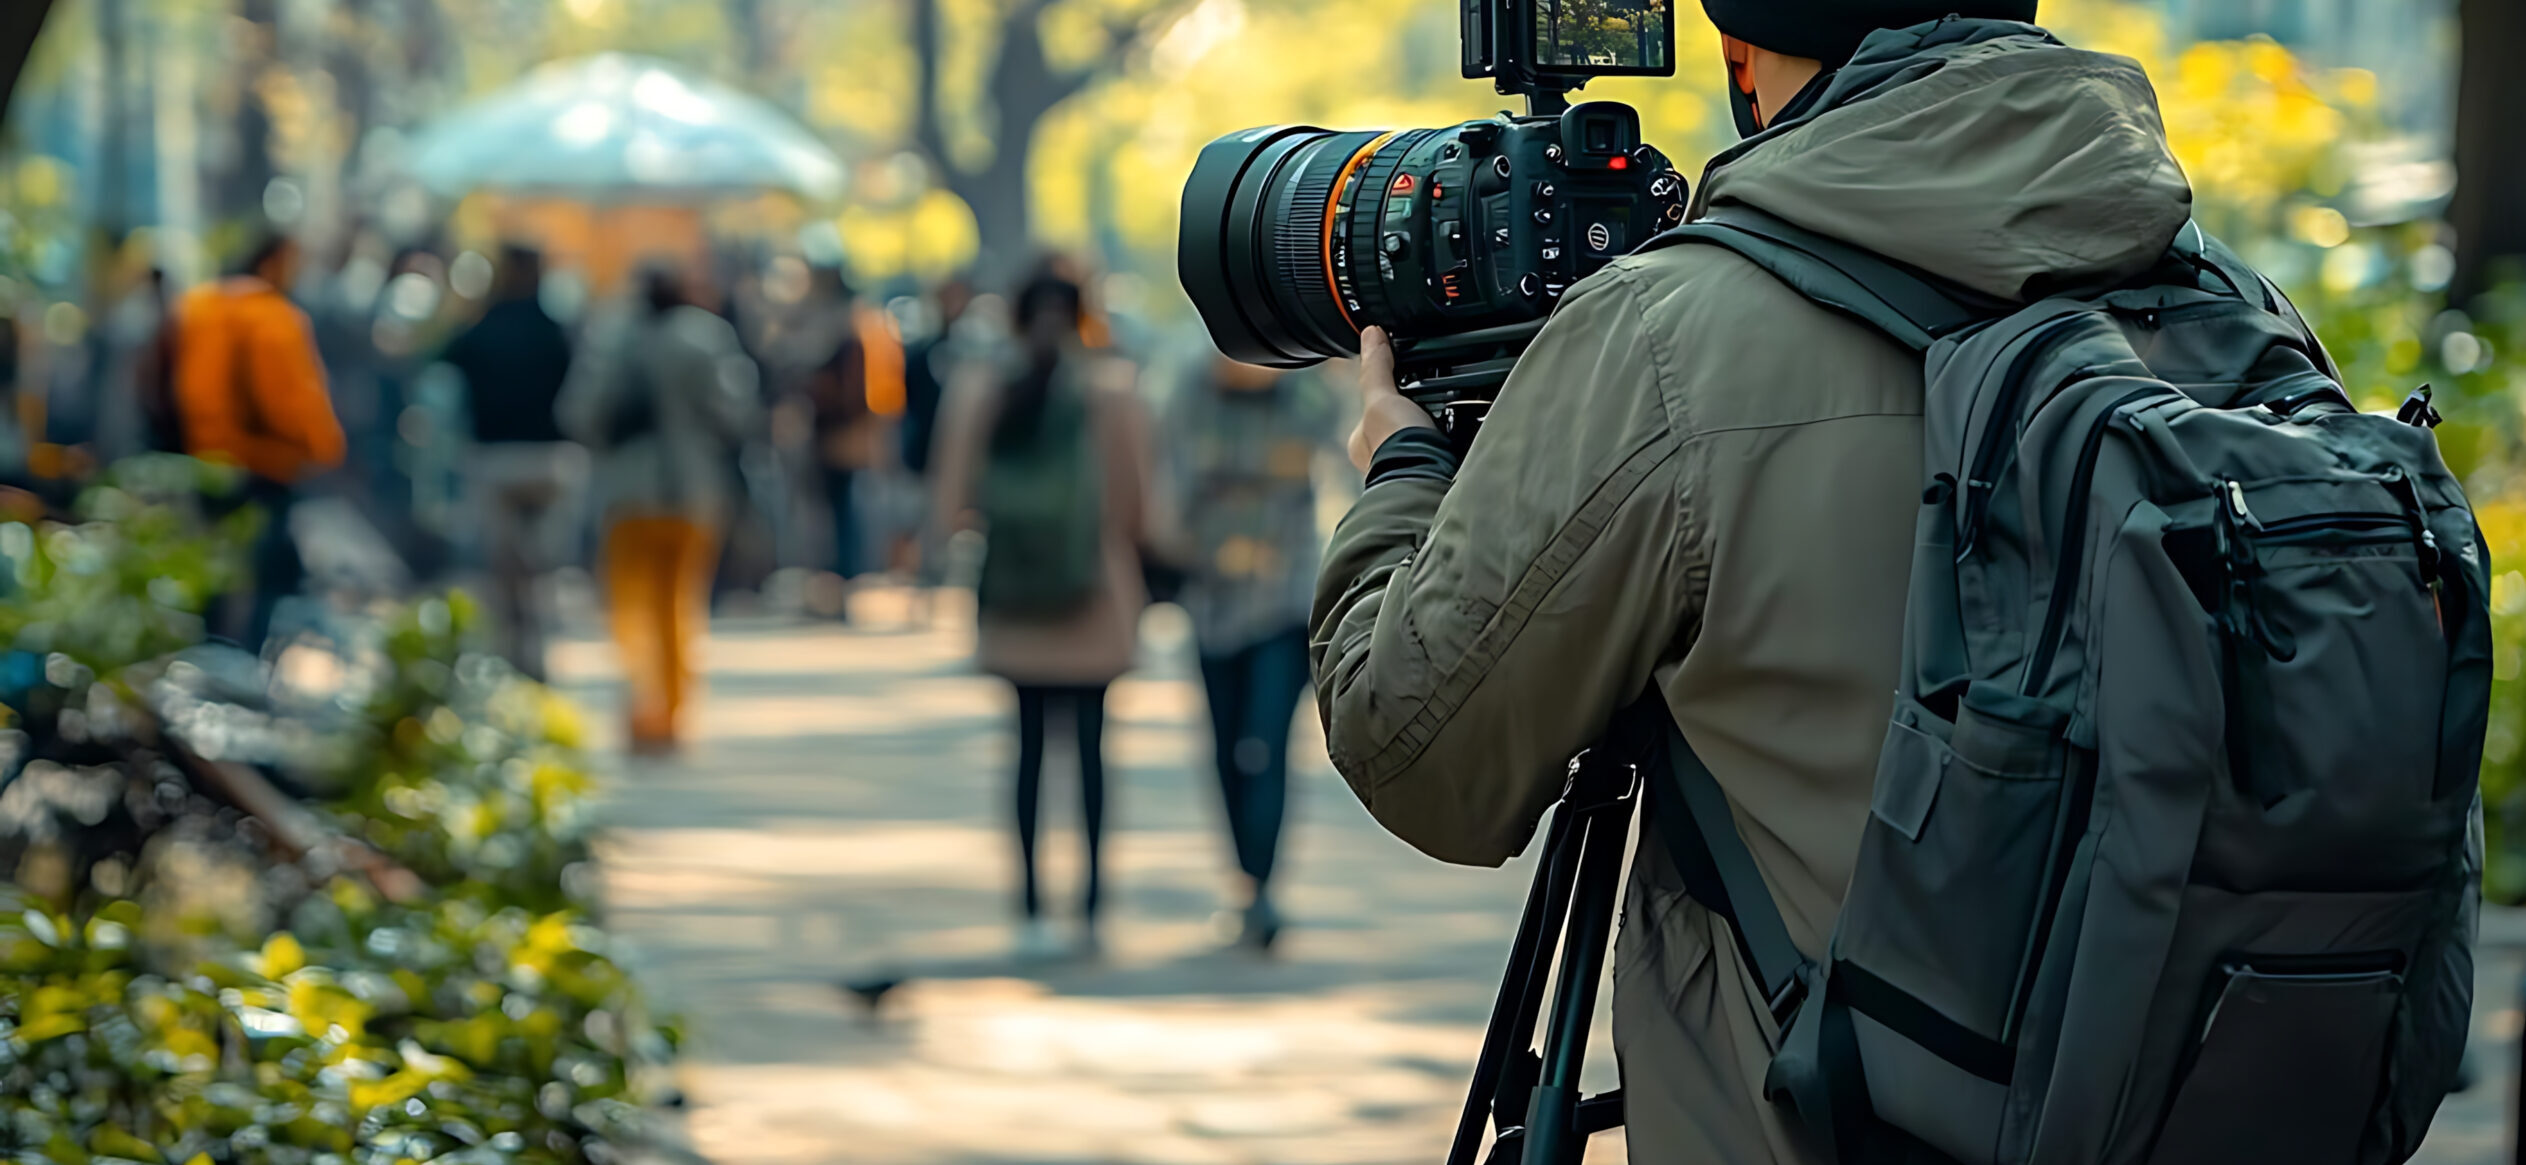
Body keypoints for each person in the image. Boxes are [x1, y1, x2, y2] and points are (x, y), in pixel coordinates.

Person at [1308, 5, 2185, 1160]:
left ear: (1746, 60)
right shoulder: (2236, 312)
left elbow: (1420, 753)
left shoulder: (1674, 335)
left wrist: (1405, 471)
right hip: (2192, 1088)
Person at [931, 270, 1153, 960]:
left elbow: (953, 492)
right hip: (1092, 593)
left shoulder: (982, 386)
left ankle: (1028, 905)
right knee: (1090, 755)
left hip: (1019, 597)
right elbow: (1137, 501)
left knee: (1026, 754)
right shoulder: (1111, 390)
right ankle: (1089, 906)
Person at [1161, 355, 1339, 951]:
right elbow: (1167, 487)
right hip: (1212, 604)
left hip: (1283, 604)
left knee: (1264, 747)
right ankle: (1243, 879)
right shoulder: (1189, 390)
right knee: (1224, 749)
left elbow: (1349, 449)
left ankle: (1261, 888)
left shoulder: (1304, 394)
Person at [560, 265, 761, 753]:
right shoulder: (707, 337)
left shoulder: (614, 341)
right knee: (681, 603)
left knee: (631, 607)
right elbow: (738, 411)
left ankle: (642, 708)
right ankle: (673, 712)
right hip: (695, 492)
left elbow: (579, 413)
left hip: (628, 492)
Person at [172, 233, 347, 648]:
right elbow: (291, 398)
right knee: (265, 579)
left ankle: (207, 658)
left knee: (212, 572)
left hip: (207, 459)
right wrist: (323, 446)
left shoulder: (200, 307)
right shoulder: (270, 316)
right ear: (271, 261)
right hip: (265, 464)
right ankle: (247, 667)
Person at [441, 244, 583, 681]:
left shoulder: (481, 326)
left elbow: (440, 359)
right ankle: (539, 656)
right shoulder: (556, 328)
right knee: (542, 569)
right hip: (549, 459)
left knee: (503, 572)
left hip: (495, 459)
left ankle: (512, 661)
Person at [802, 266, 905, 602]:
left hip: (847, 435)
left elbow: (855, 391)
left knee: (848, 513)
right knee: (849, 510)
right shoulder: (873, 329)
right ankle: (848, 577)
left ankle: (848, 578)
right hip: (857, 431)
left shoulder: (855, 334)